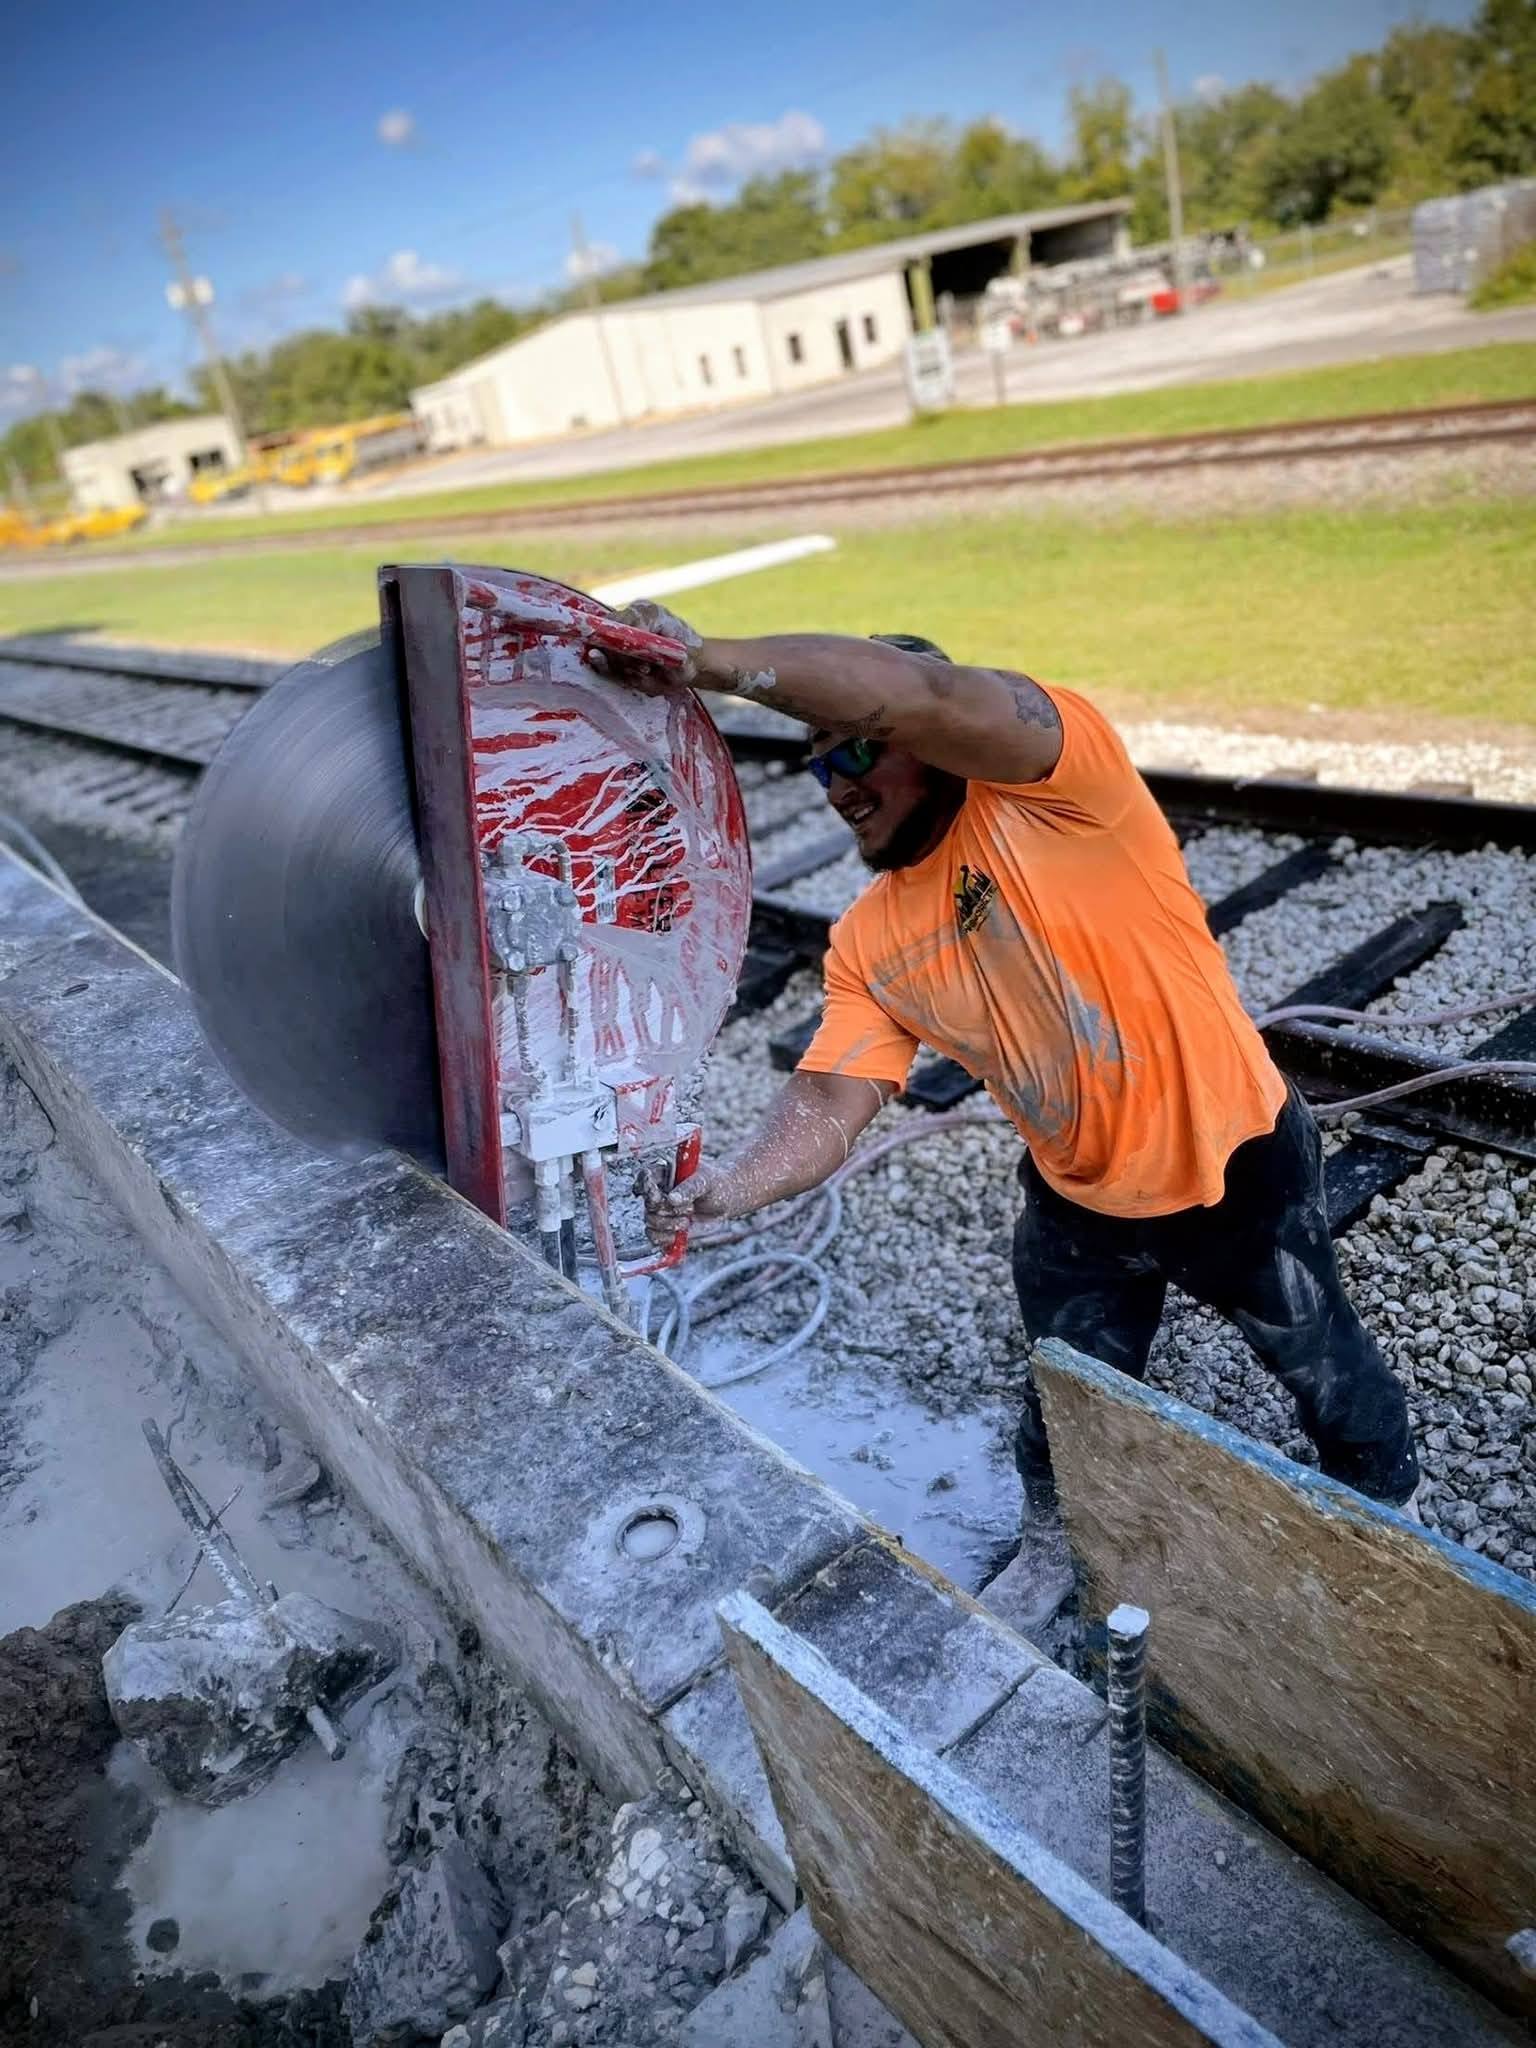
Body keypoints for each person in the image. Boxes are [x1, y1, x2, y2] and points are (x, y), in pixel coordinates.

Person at [593, 604, 1421, 1627]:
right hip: (1078, 1202)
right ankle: (1056, 1540)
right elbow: (830, 1095)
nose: (838, 783)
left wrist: (705, 662)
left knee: (1319, 1357)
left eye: (854, 747)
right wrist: (724, 1189)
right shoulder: (868, 939)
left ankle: (1388, 1507)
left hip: (1234, 1162)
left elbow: (926, 693)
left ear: (927, 739)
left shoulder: (1059, 789)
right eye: (817, 766)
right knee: (1064, 1391)